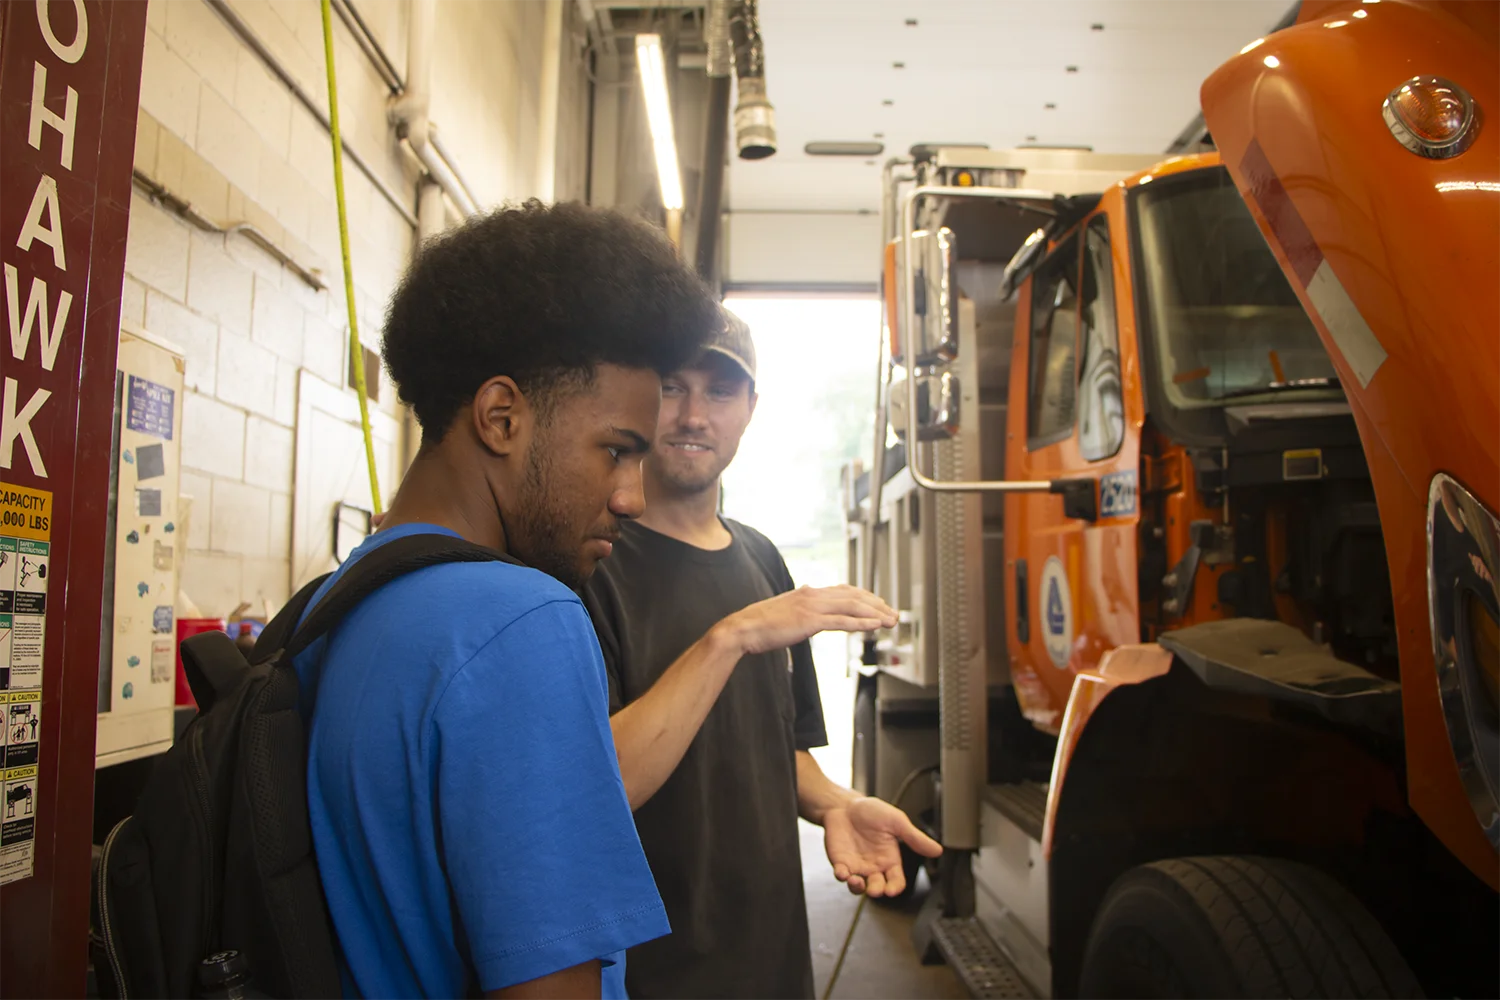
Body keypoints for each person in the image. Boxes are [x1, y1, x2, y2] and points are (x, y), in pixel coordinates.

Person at [291, 202, 721, 1000]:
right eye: (617, 451)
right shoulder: (520, 623)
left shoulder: (349, 598)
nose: (631, 495)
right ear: (501, 417)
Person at [582, 312, 942, 1000]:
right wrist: (730, 637)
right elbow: (601, 781)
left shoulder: (760, 559)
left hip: (771, 955)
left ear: (750, 408)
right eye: (671, 388)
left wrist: (838, 802)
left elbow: (783, 748)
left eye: (719, 393)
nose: (692, 416)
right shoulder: (592, 563)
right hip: (652, 966)